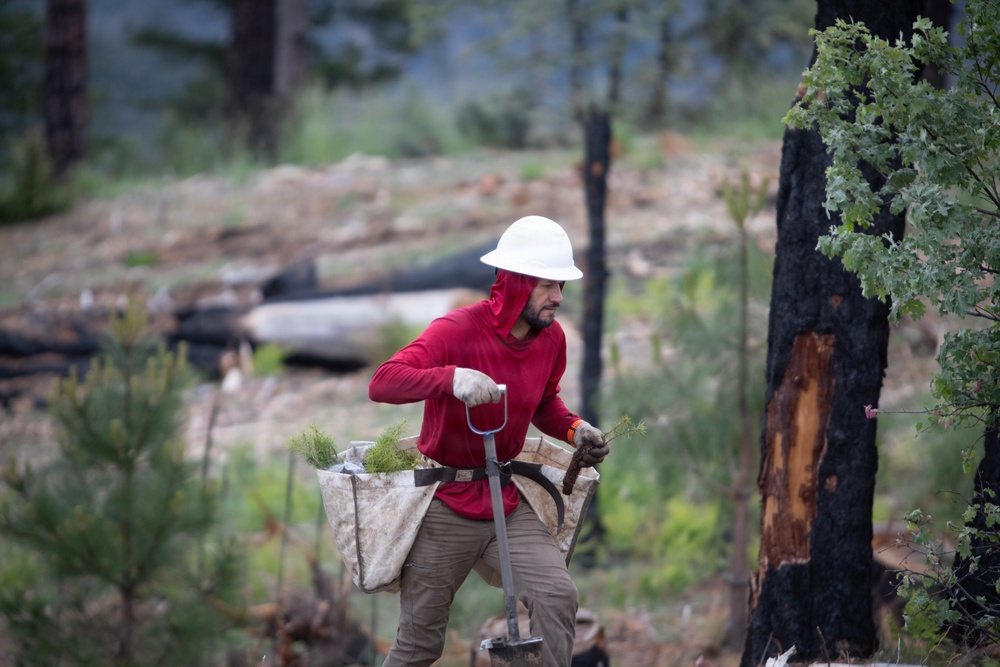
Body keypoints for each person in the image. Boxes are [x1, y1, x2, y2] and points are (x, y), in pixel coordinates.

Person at [368, 214, 610, 666]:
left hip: (505, 498)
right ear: (516, 283)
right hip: (445, 502)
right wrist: (450, 378)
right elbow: (382, 382)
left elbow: (544, 405)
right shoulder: (457, 330)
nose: (558, 297)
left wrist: (577, 430)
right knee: (419, 645)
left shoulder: (551, 339)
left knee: (557, 596)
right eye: (547, 285)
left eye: (562, 286)